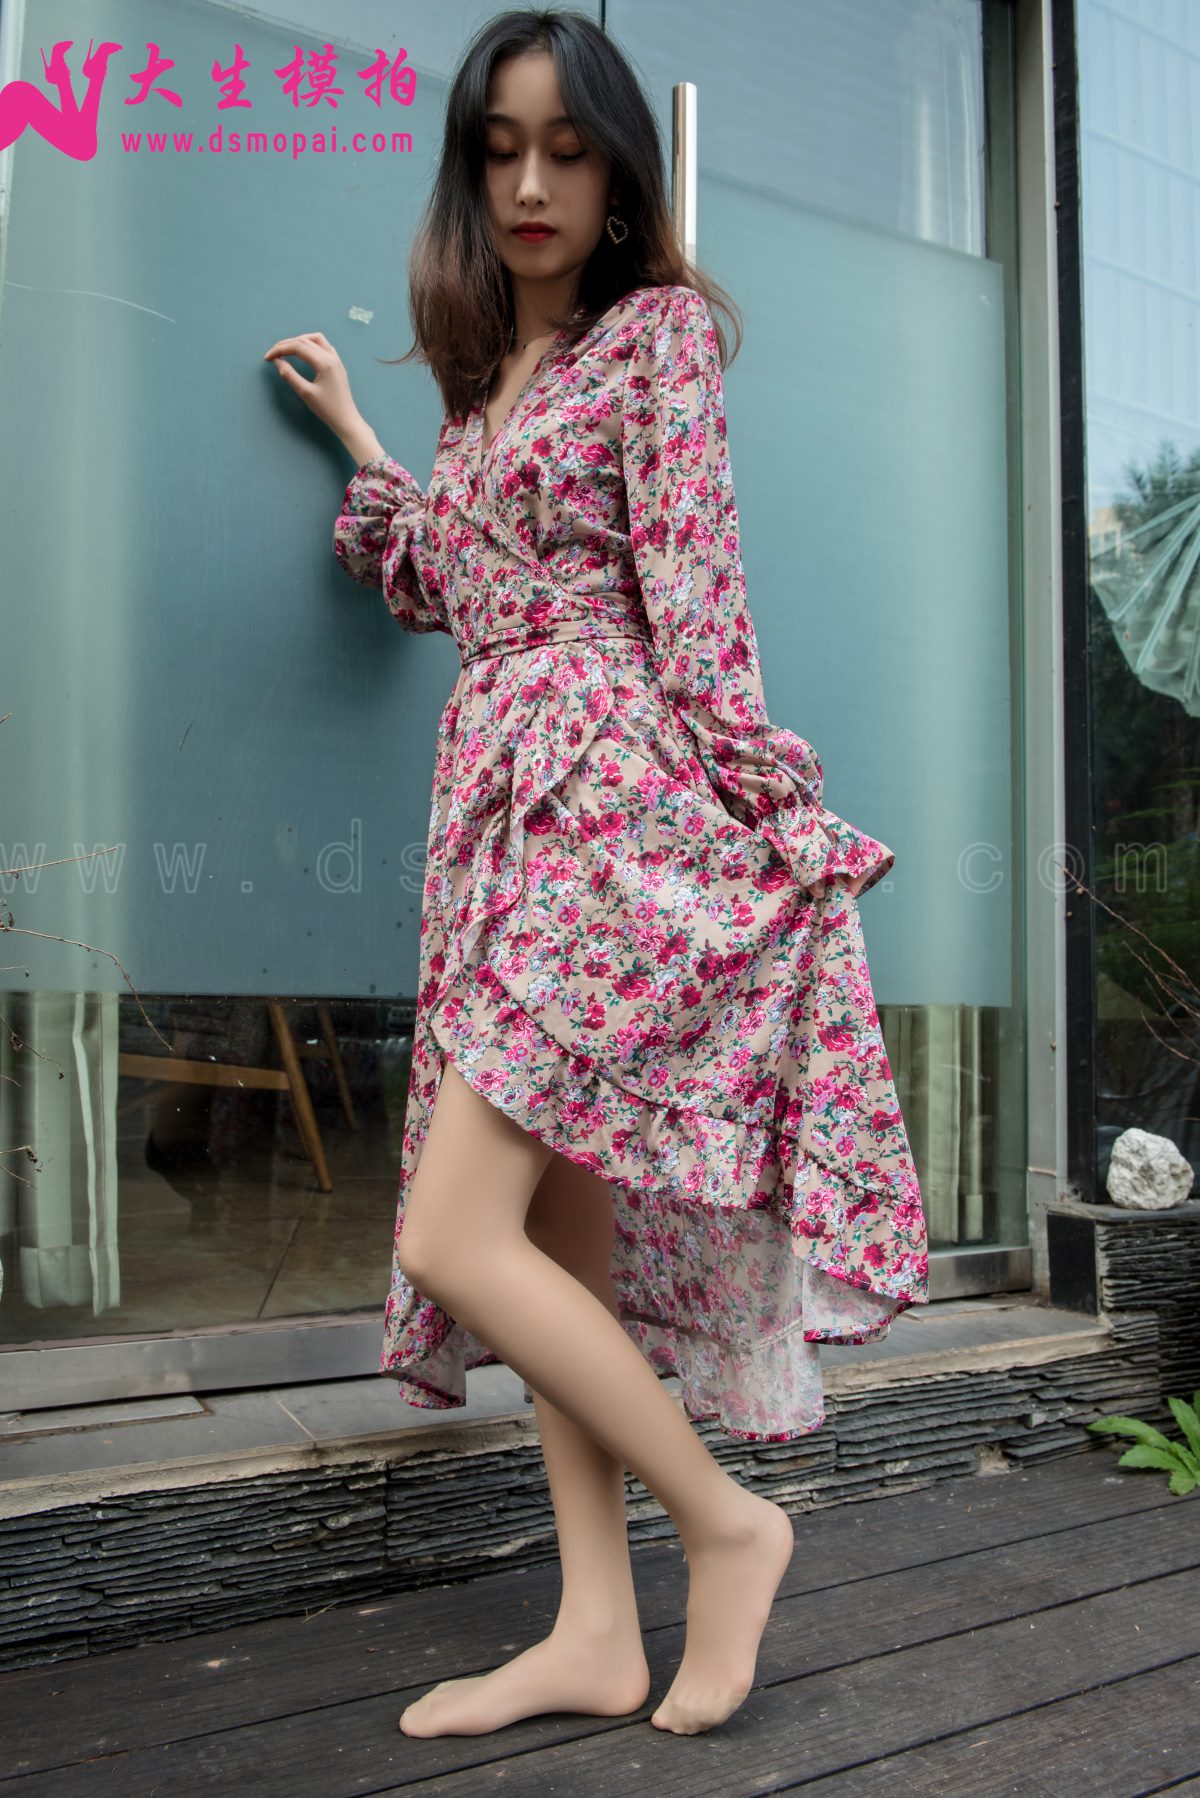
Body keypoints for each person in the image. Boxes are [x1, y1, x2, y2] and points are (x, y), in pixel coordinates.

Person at [263, 5, 928, 1741]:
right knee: (559, 1235)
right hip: (495, 818)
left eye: (567, 147)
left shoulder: (657, 340)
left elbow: (698, 605)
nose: (533, 183)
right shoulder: (482, 381)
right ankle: (593, 1625)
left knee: (452, 1230)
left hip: (606, 810)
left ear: (620, 169)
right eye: (501, 149)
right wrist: (365, 442)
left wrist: (767, 812)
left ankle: (728, 1521)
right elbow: (446, 583)